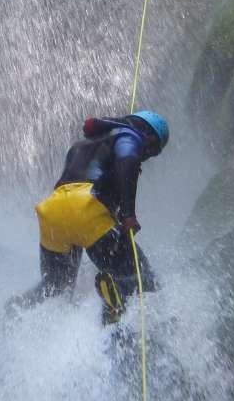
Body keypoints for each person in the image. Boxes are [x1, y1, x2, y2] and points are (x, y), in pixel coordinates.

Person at [10, 110, 169, 323]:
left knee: (55, 287)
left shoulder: (80, 146)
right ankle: (116, 293)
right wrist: (129, 214)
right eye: (153, 150)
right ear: (149, 135)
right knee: (143, 279)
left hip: (53, 213)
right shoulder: (129, 137)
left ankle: (18, 308)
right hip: (86, 208)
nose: (147, 155)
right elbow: (127, 160)